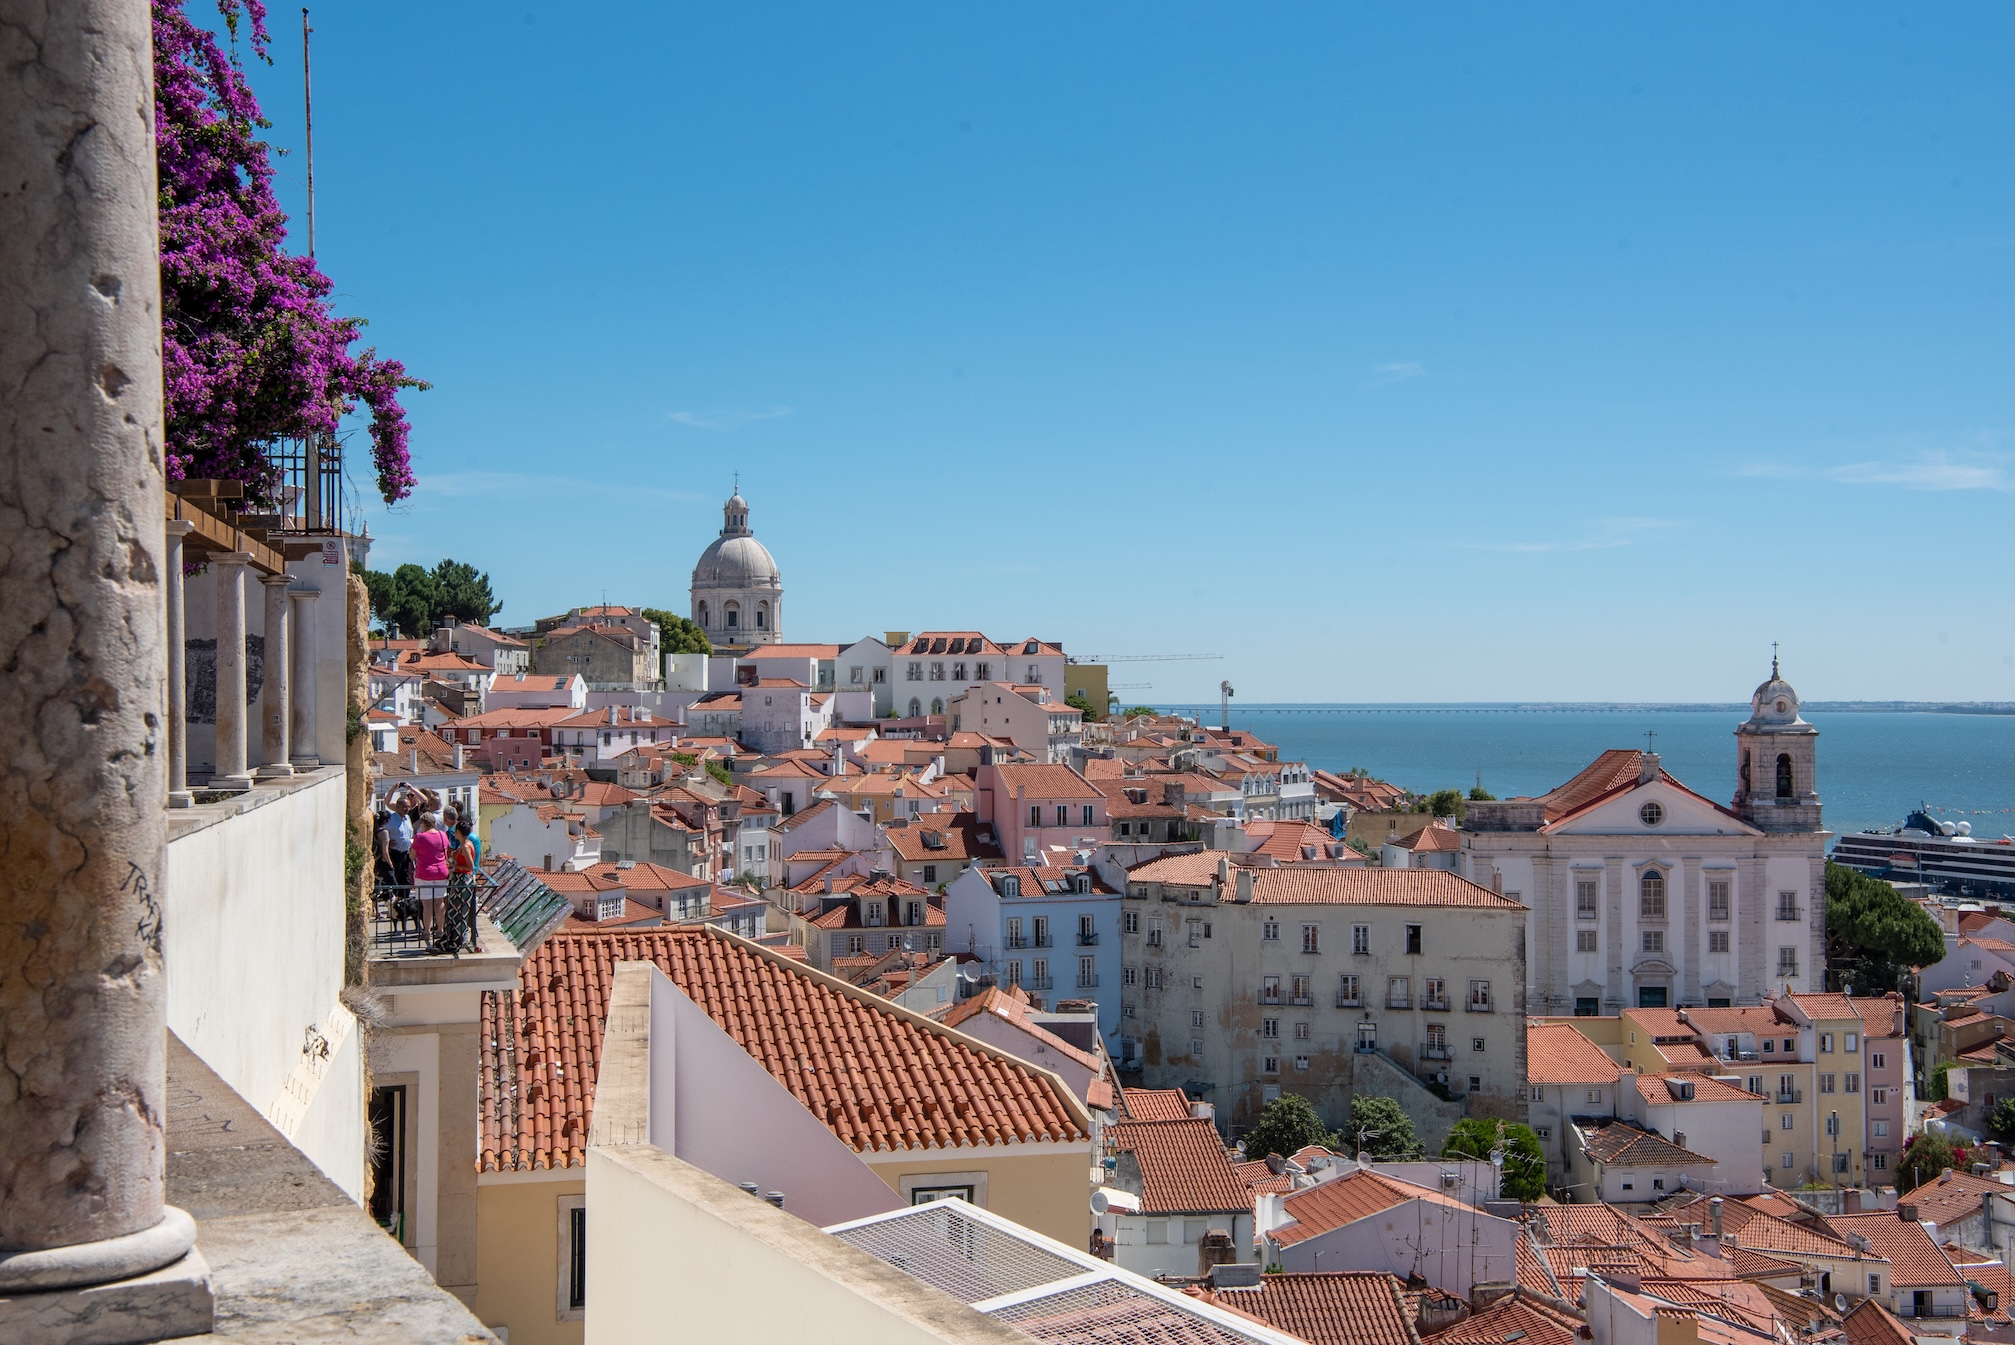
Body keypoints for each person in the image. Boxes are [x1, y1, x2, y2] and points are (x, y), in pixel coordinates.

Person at [409, 810, 451, 944]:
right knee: (439, 903)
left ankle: (426, 932)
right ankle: (440, 930)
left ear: (423, 824)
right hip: (441, 872)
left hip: (425, 873)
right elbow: (446, 852)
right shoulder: (442, 835)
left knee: (426, 904)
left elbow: (412, 856)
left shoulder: (420, 837)